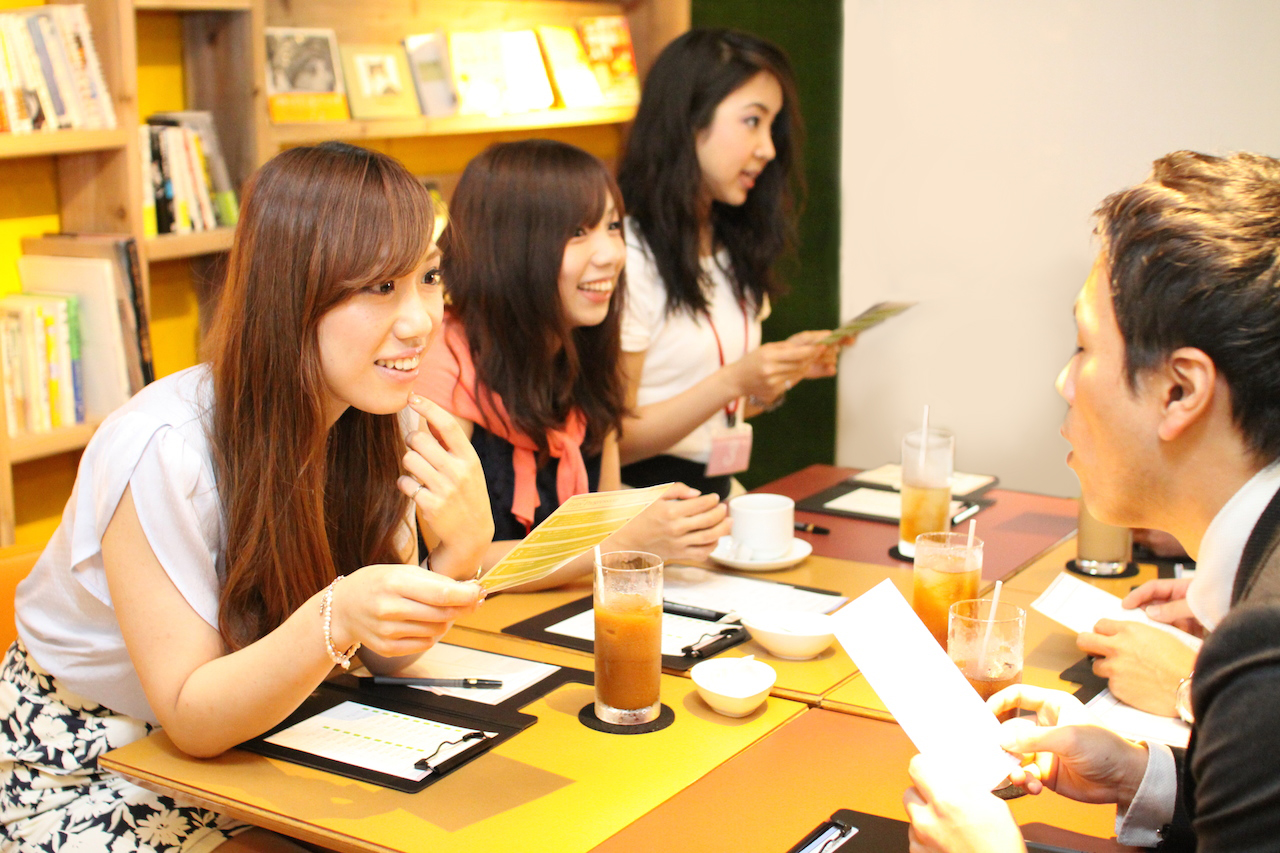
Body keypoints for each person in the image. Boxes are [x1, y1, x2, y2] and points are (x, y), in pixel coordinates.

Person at [1, 142, 494, 851]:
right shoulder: (164, 447)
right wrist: (338, 612)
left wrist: (462, 551)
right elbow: (190, 716)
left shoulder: (382, 418)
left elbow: (382, 656)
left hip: (267, 737)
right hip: (92, 763)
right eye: (381, 286)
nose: (421, 320)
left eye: (429, 276)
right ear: (292, 293)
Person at [903, 150, 1280, 852]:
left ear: (1180, 390)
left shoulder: (1264, 640)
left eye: (1083, 346)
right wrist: (1144, 774)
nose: (1064, 382)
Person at [415, 140, 730, 589]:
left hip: (569, 610)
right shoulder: (443, 362)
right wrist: (622, 541)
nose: (611, 254)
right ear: (510, 245)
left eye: (612, 226)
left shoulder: (583, 345)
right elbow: (449, 564)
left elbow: (605, 511)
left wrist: (668, 525)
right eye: (577, 232)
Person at [615, 29, 847, 499]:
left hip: (716, 496)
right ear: (689, 118)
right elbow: (611, 443)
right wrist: (734, 380)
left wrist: (775, 375)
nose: (768, 148)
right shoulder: (626, 257)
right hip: (643, 508)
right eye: (752, 121)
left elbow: (717, 410)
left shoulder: (734, 244)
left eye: (771, 125)